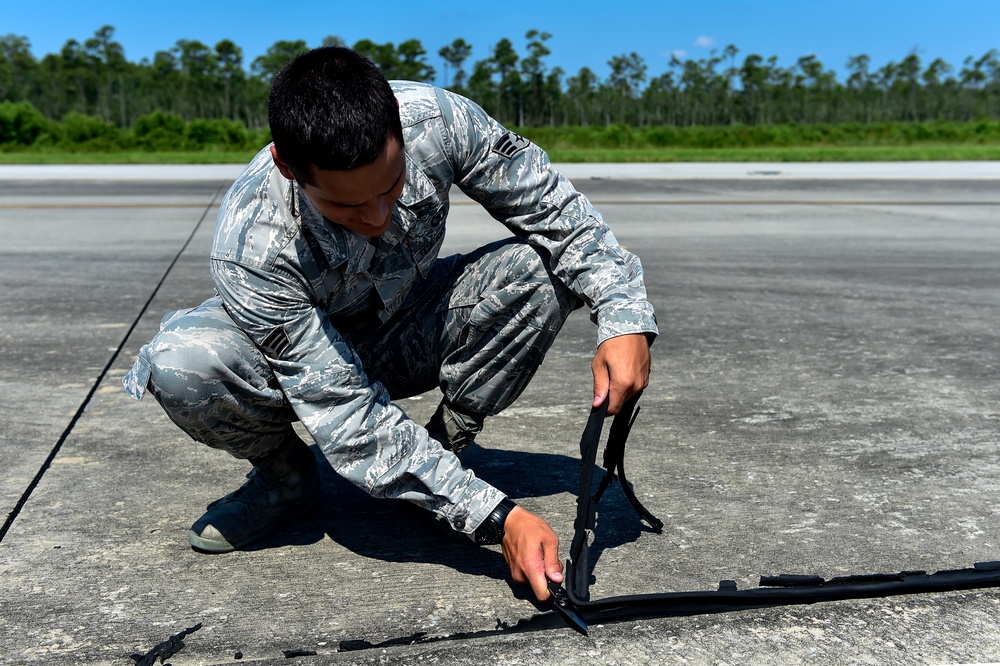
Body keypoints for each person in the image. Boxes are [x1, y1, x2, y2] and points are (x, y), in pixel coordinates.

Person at [122, 46, 656, 603]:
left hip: (406, 324)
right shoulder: (250, 245)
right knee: (184, 364)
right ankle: (285, 479)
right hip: (304, 365)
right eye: (345, 206)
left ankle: (447, 446)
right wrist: (496, 517)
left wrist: (624, 318)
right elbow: (347, 412)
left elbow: (560, 216)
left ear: (400, 129)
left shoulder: (440, 120)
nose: (377, 217)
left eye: (391, 185)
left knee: (546, 269)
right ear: (287, 167)